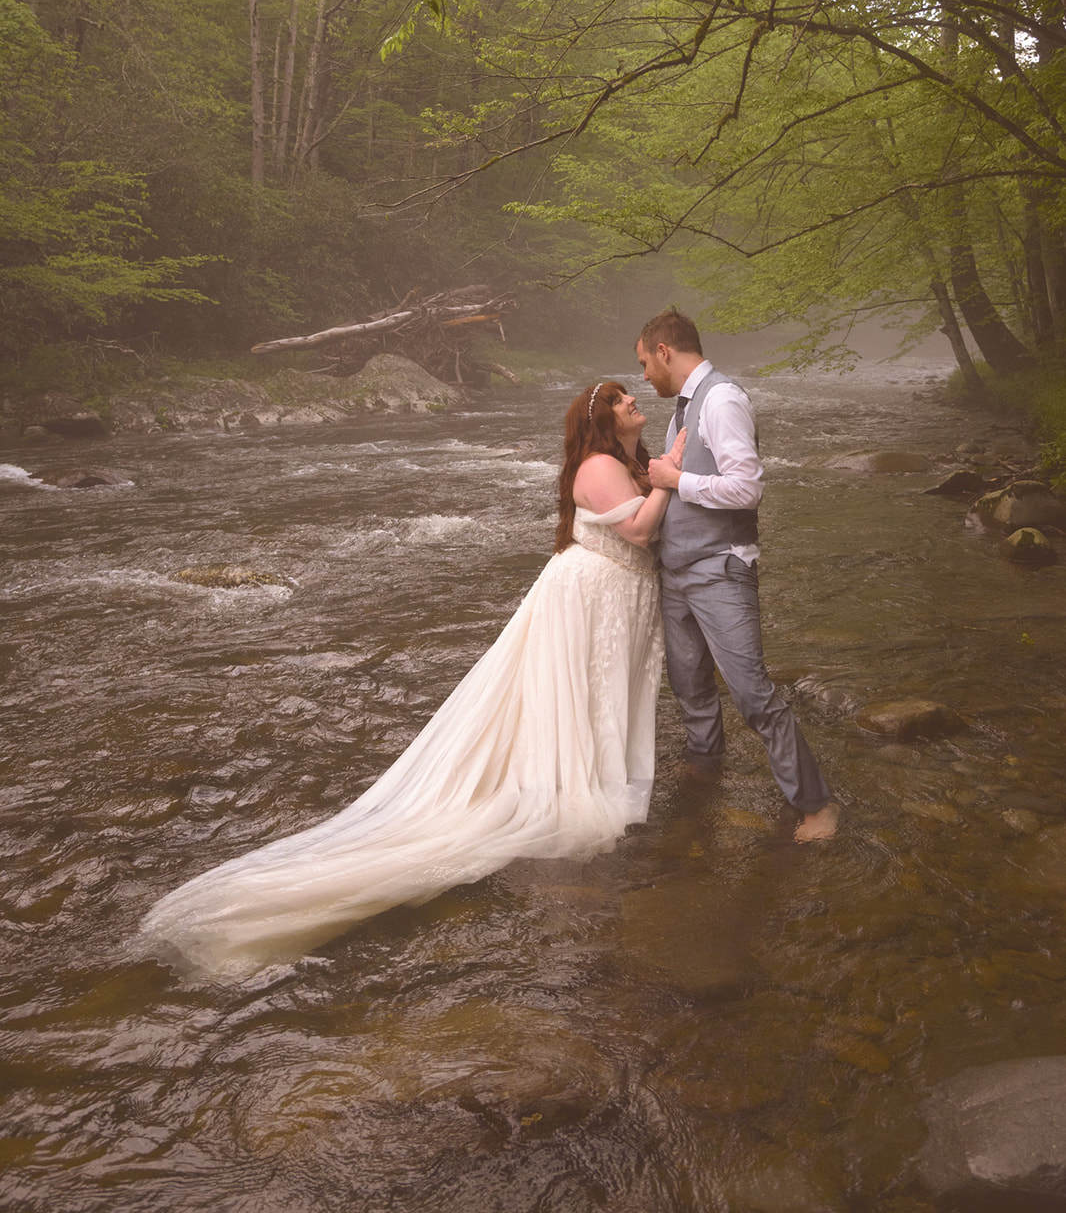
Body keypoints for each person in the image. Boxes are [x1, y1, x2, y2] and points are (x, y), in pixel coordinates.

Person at [139, 381, 685, 979]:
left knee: (595, 695)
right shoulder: (601, 464)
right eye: (619, 398)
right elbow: (636, 532)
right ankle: (564, 783)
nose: (633, 402)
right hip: (592, 594)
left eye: (632, 394)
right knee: (579, 694)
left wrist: (664, 470)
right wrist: (668, 477)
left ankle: (586, 771)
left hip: (615, 595)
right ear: (600, 419)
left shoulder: (629, 460)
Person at [635, 309, 840, 842]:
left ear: (664, 352)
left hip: (720, 568)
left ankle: (817, 804)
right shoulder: (682, 409)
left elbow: (746, 488)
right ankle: (706, 767)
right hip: (677, 569)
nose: (642, 377)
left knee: (752, 693)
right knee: (688, 684)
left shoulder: (722, 400)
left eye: (643, 363)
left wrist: (676, 479)